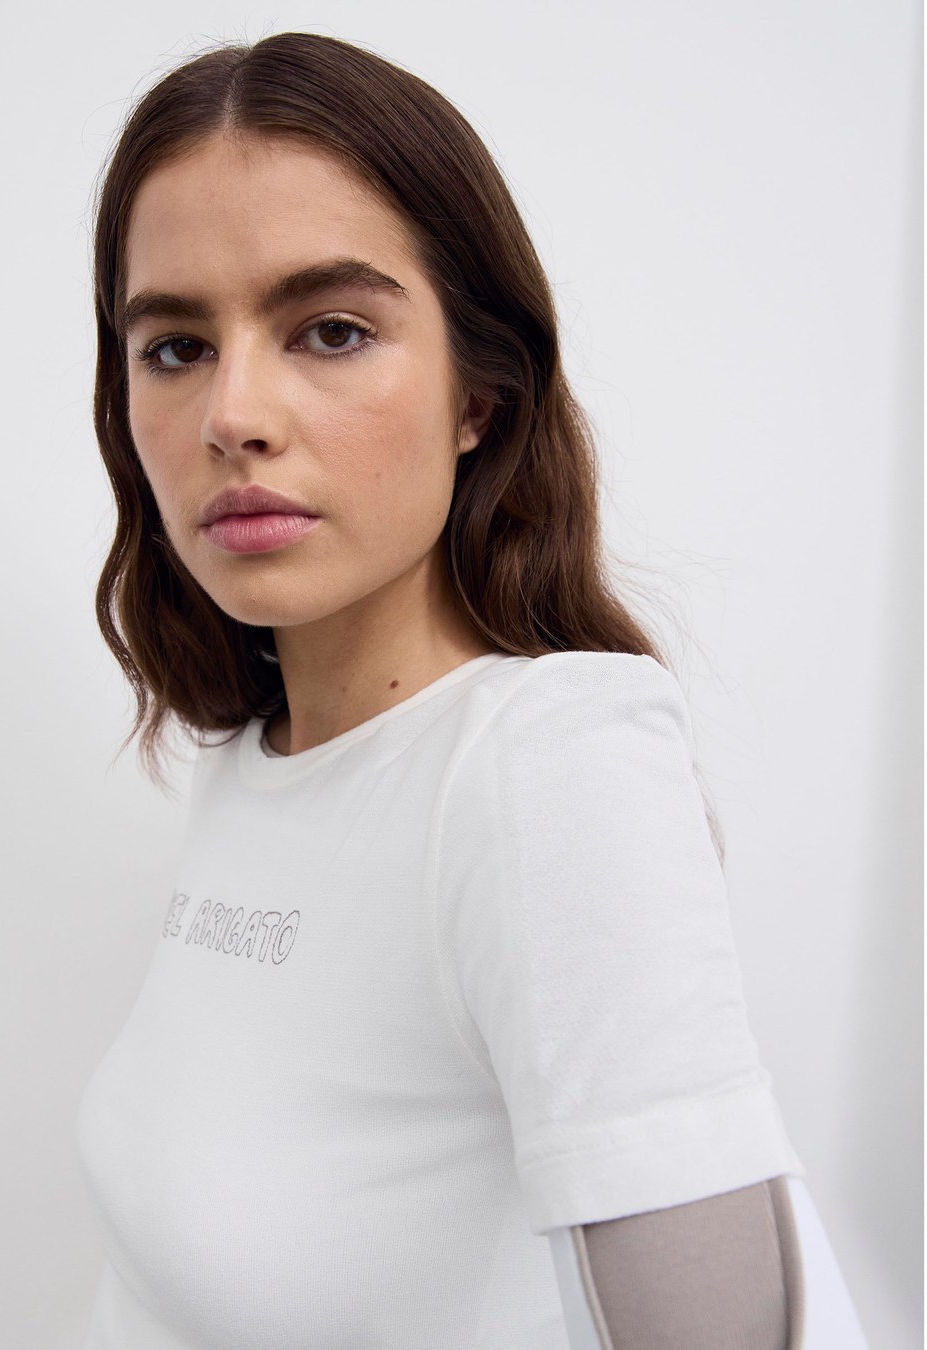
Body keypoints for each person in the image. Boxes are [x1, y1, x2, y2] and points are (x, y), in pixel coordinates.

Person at [76, 31, 870, 1349]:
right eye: (173, 345)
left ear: (480, 399)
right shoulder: (252, 757)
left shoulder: (551, 764)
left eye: (330, 329)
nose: (234, 412)